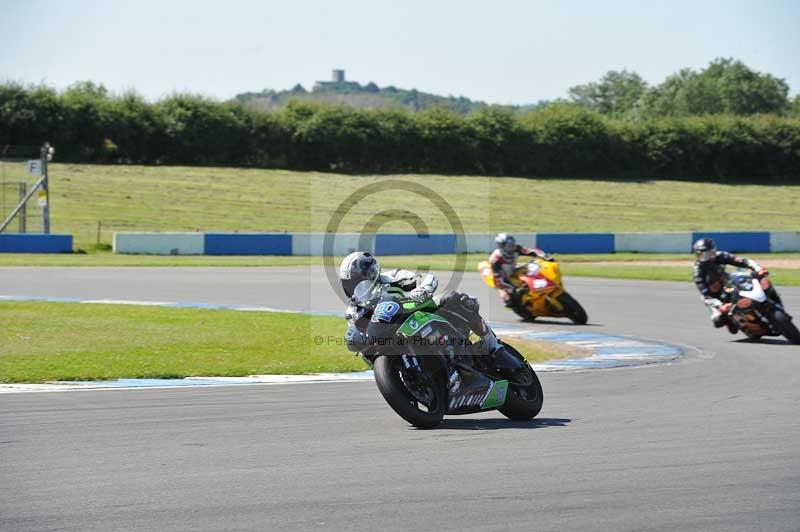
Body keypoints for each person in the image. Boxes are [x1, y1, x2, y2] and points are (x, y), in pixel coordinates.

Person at [338, 250, 502, 357]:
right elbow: (358, 331)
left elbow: (427, 278)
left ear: (371, 271)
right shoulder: (353, 310)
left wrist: (420, 291)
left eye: (360, 279)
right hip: (394, 336)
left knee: (452, 298)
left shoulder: (393, 276)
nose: (358, 285)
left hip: (419, 310)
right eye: (352, 283)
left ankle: (491, 344)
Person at [692, 237, 773, 333]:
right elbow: (705, 296)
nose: (705, 258)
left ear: (713, 251)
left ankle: (767, 301)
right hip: (713, 296)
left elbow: (744, 261)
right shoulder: (698, 271)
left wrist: (758, 269)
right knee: (718, 320)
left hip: (727, 283)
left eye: (707, 254)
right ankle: (735, 323)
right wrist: (720, 305)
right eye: (701, 255)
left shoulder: (721, 256)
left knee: (756, 279)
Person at [489, 233, 551, 316]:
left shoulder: (516, 248)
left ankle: (543, 287)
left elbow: (530, 251)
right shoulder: (496, 259)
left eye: (512, 244)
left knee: (534, 267)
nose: (512, 247)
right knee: (507, 294)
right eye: (509, 245)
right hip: (503, 276)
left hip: (513, 270)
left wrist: (544, 256)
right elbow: (498, 280)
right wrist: (511, 288)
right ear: (501, 246)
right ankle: (508, 301)